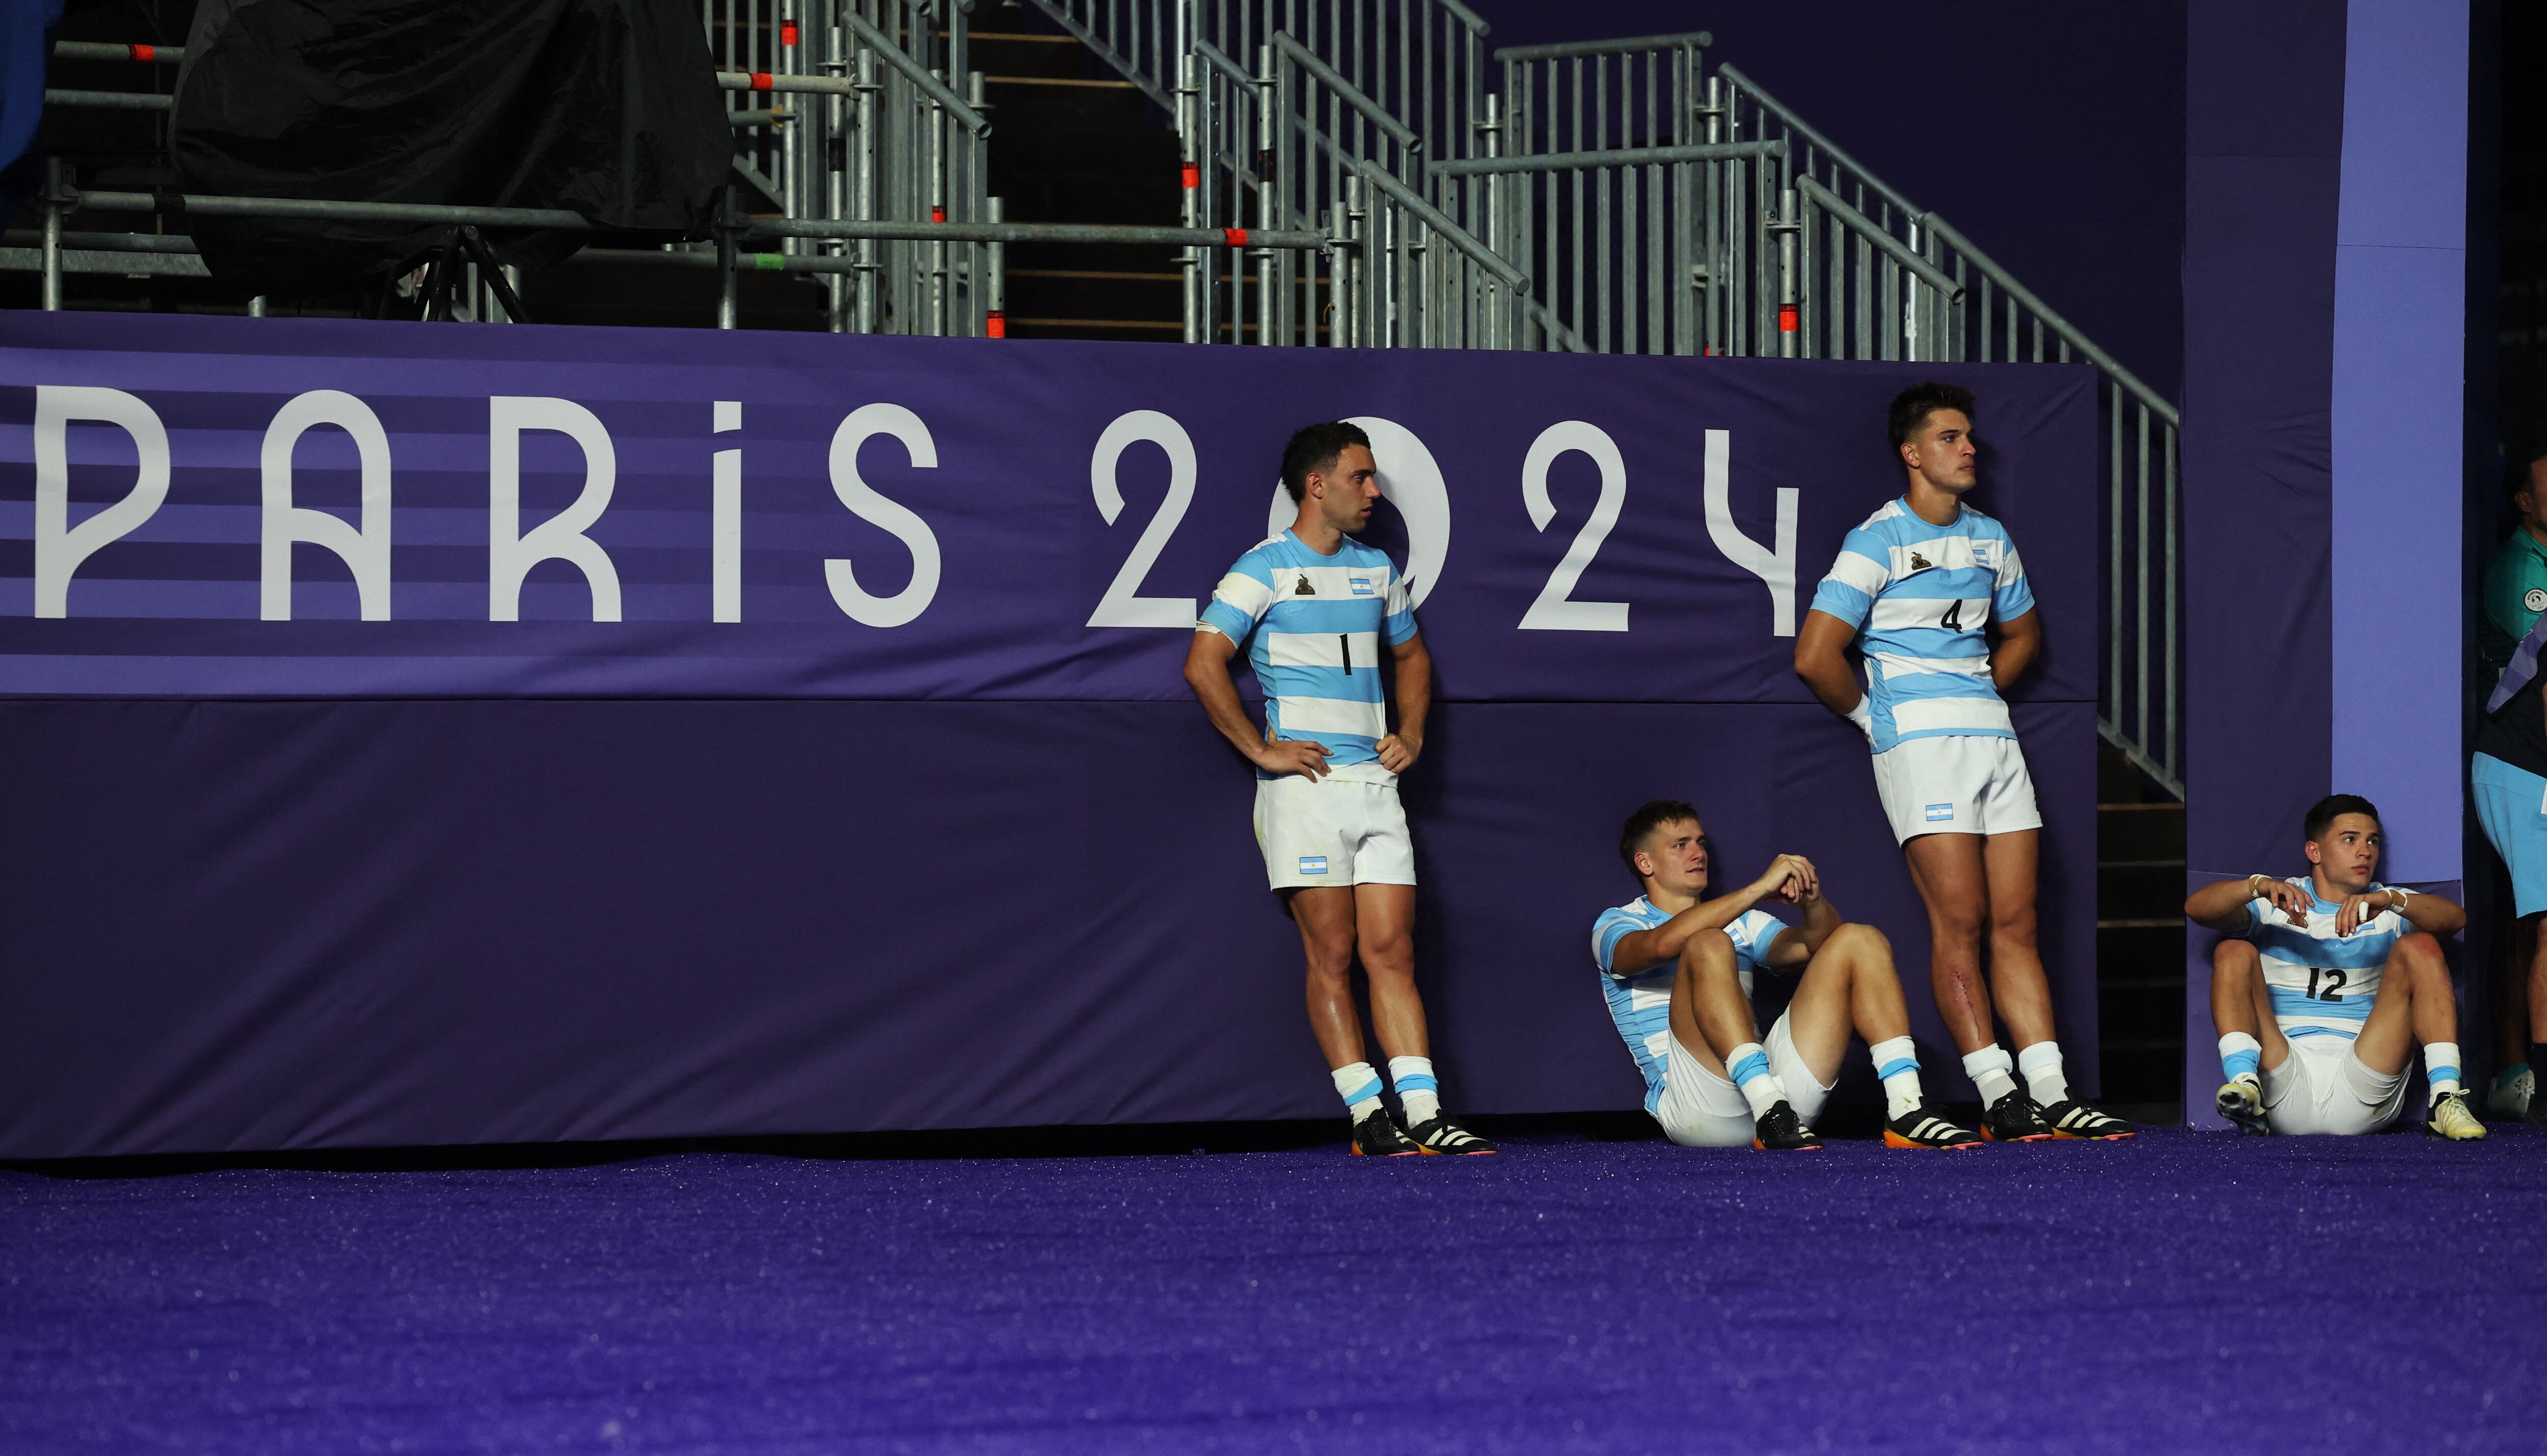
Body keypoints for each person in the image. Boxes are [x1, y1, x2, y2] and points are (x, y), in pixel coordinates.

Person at [1793, 381, 2132, 1142]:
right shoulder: (1874, 539)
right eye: (1950, 437)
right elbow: (1816, 656)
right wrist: (1876, 719)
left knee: (2018, 920)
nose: (1969, 448)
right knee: (1962, 920)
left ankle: (2050, 1089)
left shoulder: (1991, 537)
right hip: (1919, 746)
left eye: (1969, 436)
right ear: (1912, 453)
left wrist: (1977, 694)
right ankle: (1995, 1089)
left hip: (1993, 741)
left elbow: (2023, 636)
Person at [1182, 421, 1494, 1157]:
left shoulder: (1377, 567)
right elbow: (1203, 663)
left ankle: (1424, 1113)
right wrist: (1261, 749)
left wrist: (1411, 734)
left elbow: (1412, 657)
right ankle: (1366, 1112)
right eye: (1361, 477)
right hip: (1306, 791)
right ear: (1317, 484)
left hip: (1375, 786)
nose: (1374, 492)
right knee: (1333, 953)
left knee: (1394, 950)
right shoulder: (1259, 568)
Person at [1590, 800, 1983, 1151]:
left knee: (1859, 938)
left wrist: (1813, 903)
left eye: (1701, 842)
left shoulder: (1743, 922)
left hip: (1783, 1105)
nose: (1698, 853)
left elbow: (1823, 947)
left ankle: (1906, 1106)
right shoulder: (1617, 923)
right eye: (1681, 844)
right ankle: (1768, 1106)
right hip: (1700, 1110)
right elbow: (1660, 946)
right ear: (1646, 863)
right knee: (1707, 942)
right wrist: (1759, 888)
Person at [2183, 794, 2485, 1139]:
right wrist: (2257, 886)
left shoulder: (2386, 903)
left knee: (2423, 945)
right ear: (2315, 852)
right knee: (2234, 950)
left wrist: (2394, 900)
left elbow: (2455, 919)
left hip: (2365, 1077)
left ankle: (2445, 1097)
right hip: (2280, 1080)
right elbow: (2197, 908)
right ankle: (2244, 1084)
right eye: (2350, 839)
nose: (2365, 851)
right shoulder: (2278, 900)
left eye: (2373, 841)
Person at [2471, 446, 2547, 1120]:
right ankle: (2518, 1069)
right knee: (2532, 921)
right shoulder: (2519, 570)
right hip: (2522, 762)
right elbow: (2537, 679)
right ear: (2522, 500)